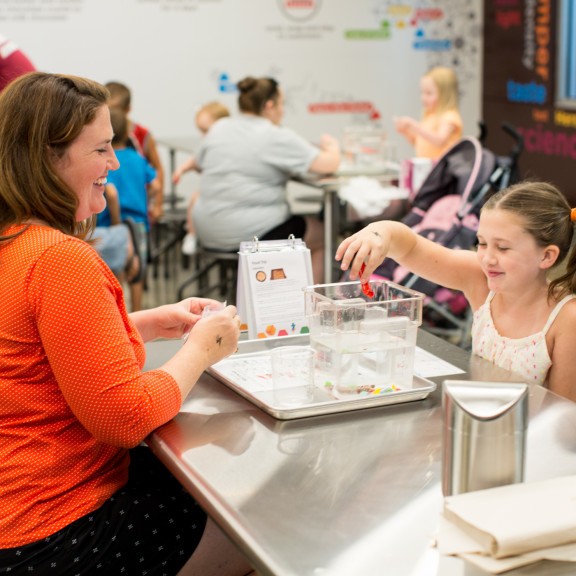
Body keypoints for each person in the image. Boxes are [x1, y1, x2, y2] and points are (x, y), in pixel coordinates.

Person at [0, 71, 255, 576]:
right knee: (258, 517)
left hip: (15, 518)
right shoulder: (59, 259)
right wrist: (202, 349)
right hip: (54, 532)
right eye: (101, 150)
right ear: (49, 158)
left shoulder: (15, 244)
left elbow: (33, 349)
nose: (115, 164)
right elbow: (124, 417)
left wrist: (143, 323)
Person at [336, 181, 576, 401]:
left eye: (503, 248)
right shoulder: (479, 278)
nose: (488, 258)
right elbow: (411, 248)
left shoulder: (566, 318)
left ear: (546, 256)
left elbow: (562, 415)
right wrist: (378, 233)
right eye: (482, 243)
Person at [189, 76, 341, 283]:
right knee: (325, 236)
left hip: (205, 230)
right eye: (281, 104)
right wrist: (332, 146)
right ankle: (307, 309)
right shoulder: (274, 135)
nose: (283, 111)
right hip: (249, 234)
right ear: (270, 106)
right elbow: (328, 164)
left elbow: (198, 163)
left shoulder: (219, 127)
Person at [98, 107, 160, 311]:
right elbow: (156, 185)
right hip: (138, 225)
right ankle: (137, 315)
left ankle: (118, 315)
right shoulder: (137, 158)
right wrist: (147, 202)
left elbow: (111, 193)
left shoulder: (105, 160)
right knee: (138, 273)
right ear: (127, 133)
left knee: (115, 273)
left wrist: (117, 223)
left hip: (110, 226)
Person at [173, 101, 231, 255]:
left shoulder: (231, 144)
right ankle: (191, 234)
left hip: (228, 191)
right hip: (212, 191)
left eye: (206, 131)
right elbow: (195, 159)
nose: (203, 136)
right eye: (201, 131)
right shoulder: (207, 144)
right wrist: (181, 169)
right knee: (195, 198)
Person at [106, 80, 165, 223]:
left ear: (127, 110)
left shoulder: (142, 134)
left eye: (115, 109)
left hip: (136, 208)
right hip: (106, 214)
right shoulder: (98, 133)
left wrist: (157, 204)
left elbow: (158, 169)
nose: (110, 114)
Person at [394, 66, 463, 160]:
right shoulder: (429, 116)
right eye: (422, 92)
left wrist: (414, 126)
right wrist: (406, 131)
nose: (423, 98)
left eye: (429, 93)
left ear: (445, 94)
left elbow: (440, 140)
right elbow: (418, 141)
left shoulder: (449, 117)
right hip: (427, 168)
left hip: (442, 171)